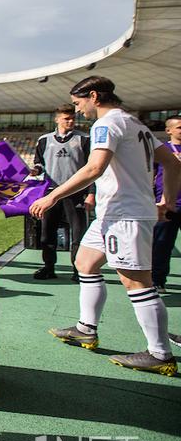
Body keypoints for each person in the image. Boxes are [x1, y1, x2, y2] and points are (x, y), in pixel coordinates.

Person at [32, 76, 179, 375]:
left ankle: (160, 353)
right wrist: (167, 201)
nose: (79, 110)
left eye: (78, 103)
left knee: (137, 282)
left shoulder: (106, 124)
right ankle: (86, 327)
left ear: (94, 97)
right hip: (112, 213)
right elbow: (174, 163)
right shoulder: (136, 124)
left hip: (125, 214)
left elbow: (94, 167)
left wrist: (52, 196)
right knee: (85, 262)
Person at [30, 104, 95, 281]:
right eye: (66, 118)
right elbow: (39, 163)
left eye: (73, 118)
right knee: (47, 233)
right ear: (57, 119)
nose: (71, 121)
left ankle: (78, 269)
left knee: (78, 233)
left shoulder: (84, 139)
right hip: (50, 194)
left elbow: (92, 169)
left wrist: (91, 193)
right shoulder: (44, 140)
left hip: (76, 193)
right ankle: (48, 267)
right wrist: (34, 171)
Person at [152, 115, 181, 293]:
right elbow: (150, 176)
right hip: (167, 205)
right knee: (162, 244)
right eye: (179, 127)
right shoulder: (162, 151)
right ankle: (157, 280)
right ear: (168, 130)